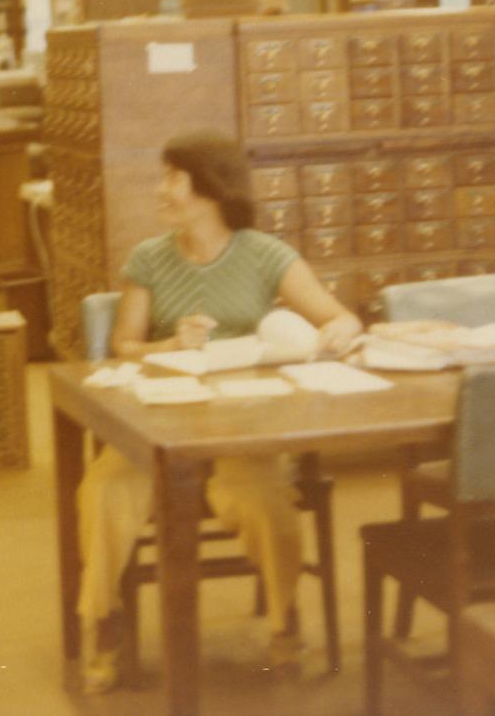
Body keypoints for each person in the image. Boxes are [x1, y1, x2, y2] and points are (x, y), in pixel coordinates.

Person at [78, 130, 362, 693]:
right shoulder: (149, 259)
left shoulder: (264, 256)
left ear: (209, 190)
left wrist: (335, 332)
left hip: (243, 427)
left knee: (261, 500)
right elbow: (124, 346)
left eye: (172, 179)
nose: (161, 190)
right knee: (104, 491)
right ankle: (103, 623)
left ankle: (285, 621)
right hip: (156, 425)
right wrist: (171, 346)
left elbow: (342, 318)